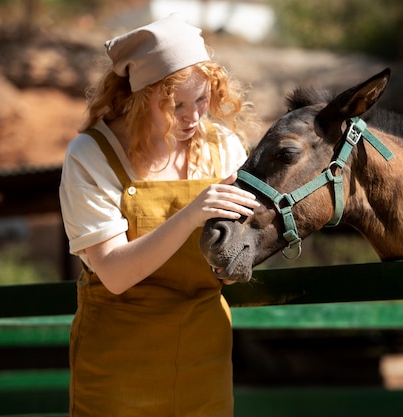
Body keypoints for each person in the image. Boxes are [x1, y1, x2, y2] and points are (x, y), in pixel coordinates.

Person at [59, 14, 260, 417]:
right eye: (174, 105)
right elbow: (114, 274)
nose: (193, 117)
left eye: (202, 99)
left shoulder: (224, 147)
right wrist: (189, 216)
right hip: (118, 367)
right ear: (138, 98)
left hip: (205, 356)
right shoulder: (91, 155)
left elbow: (249, 241)